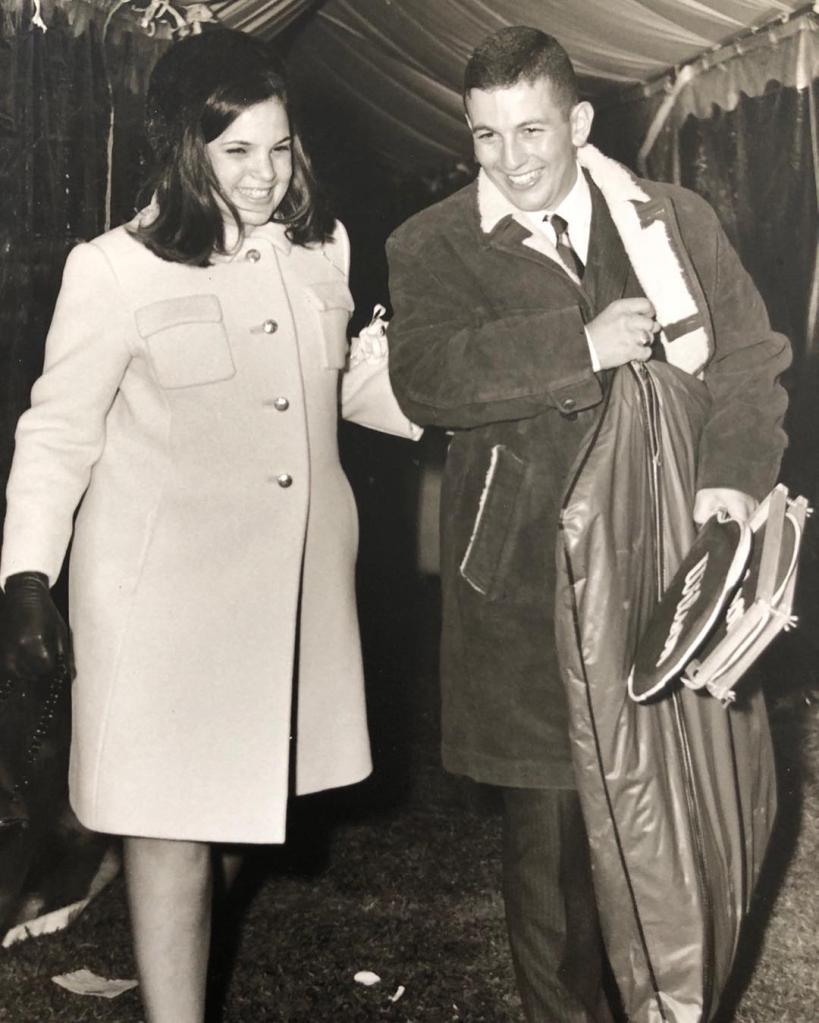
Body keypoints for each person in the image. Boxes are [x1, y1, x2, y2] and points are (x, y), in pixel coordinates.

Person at [0, 28, 416, 1023]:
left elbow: (345, 391)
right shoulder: (116, 270)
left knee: (234, 810)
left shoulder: (322, 250)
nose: (267, 175)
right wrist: (24, 576)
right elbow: (59, 431)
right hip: (159, 599)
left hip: (281, 598)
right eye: (237, 152)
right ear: (185, 149)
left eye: (280, 148)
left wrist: (464, 380)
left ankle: (163, 953)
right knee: (169, 826)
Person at [386, 26, 790, 1023]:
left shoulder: (672, 219)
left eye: (531, 131)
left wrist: (731, 486)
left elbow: (751, 357)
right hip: (526, 590)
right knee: (556, 852)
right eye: (485, 137)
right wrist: (581, 344)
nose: (510, 161)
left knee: (686, 821)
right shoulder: (429, 243)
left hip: (667, 568)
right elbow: (428, 376)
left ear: (579, 122)